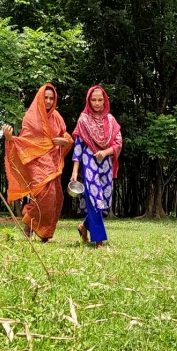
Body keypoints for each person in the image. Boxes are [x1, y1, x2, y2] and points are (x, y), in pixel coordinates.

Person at [3, 83, 73, 242]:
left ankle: (44, 233)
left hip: (53, 162)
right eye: (45, 97)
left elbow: (66, 138)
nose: (48, 101)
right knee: (45, 196)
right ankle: (29, 224)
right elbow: (26, 142)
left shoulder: (57, 117)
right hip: (36, 162)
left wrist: (64, 141)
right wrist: (10, 139)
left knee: (57, 198)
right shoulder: (31, 117)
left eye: (51, 98)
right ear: (40, 98)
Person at [71, 85, 122, 249]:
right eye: (94, 100)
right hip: (89, 161)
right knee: (94, 198)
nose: (97, 103)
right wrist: (74, 172)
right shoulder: (83, 120)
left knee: (104, 199)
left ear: (105, 100)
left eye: (100, 100)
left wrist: (105, 152)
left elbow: (118, 143)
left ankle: (84, 227)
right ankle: (99, 240)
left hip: (106, 162)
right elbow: (78, 147)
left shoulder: (111, 120)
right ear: (88, 100)